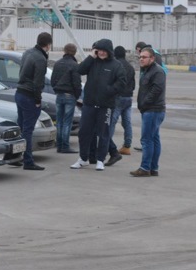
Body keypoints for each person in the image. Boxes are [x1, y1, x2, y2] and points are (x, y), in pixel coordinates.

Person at [71, 38, 126, 171]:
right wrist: (90, 57)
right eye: (99, 50)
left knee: (103, 134)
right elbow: (80, 70)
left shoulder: (116, 65)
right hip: (89, 104)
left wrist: (108, 91)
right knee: (84, 132)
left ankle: (100, 160)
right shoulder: (92, 62)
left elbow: (122, 83)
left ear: (109, 51)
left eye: (103, 51)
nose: (101, 53)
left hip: (106, 106)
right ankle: (83, 159)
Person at [14, 31, 53, 171]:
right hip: (29, 95)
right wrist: (38, 100)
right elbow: (38, 82)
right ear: (48, 45)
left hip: (19, 92)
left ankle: (16, 156)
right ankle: (28, 161)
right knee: (28, 130)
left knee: (21, 128)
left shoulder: (27, 53)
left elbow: (22, 72)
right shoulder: (40, 59)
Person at [131, 47, 166, 178]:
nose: (141, 59)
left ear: (152, 58)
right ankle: (153, 168)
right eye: (140, 57)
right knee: (154, 139)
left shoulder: (157, 71)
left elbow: (156, 90)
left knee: (146, 140)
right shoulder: (148, 70)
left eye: (144, 57)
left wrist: (144, 103)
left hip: (153, 110)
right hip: (150, 110)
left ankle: (145, 168)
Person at [50, 43, 81, 153]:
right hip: (69, 95)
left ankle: (59, 145)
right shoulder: (74, 65)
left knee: (59, 121)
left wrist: (56, 89)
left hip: (59, 95)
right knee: (67, 121)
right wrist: (77, 95)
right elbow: (77, 83)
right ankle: (65, 146)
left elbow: (53, 80)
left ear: (64, 50)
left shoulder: (58, 63)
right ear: (75, 52)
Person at [107, 46, 136, 157]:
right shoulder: (130, 67)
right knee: (127, 122)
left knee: (112, 121)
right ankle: (127, 146)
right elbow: (133, 84)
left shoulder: (115, 65)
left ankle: (107, 145)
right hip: (128, 98)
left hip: (118, 97)